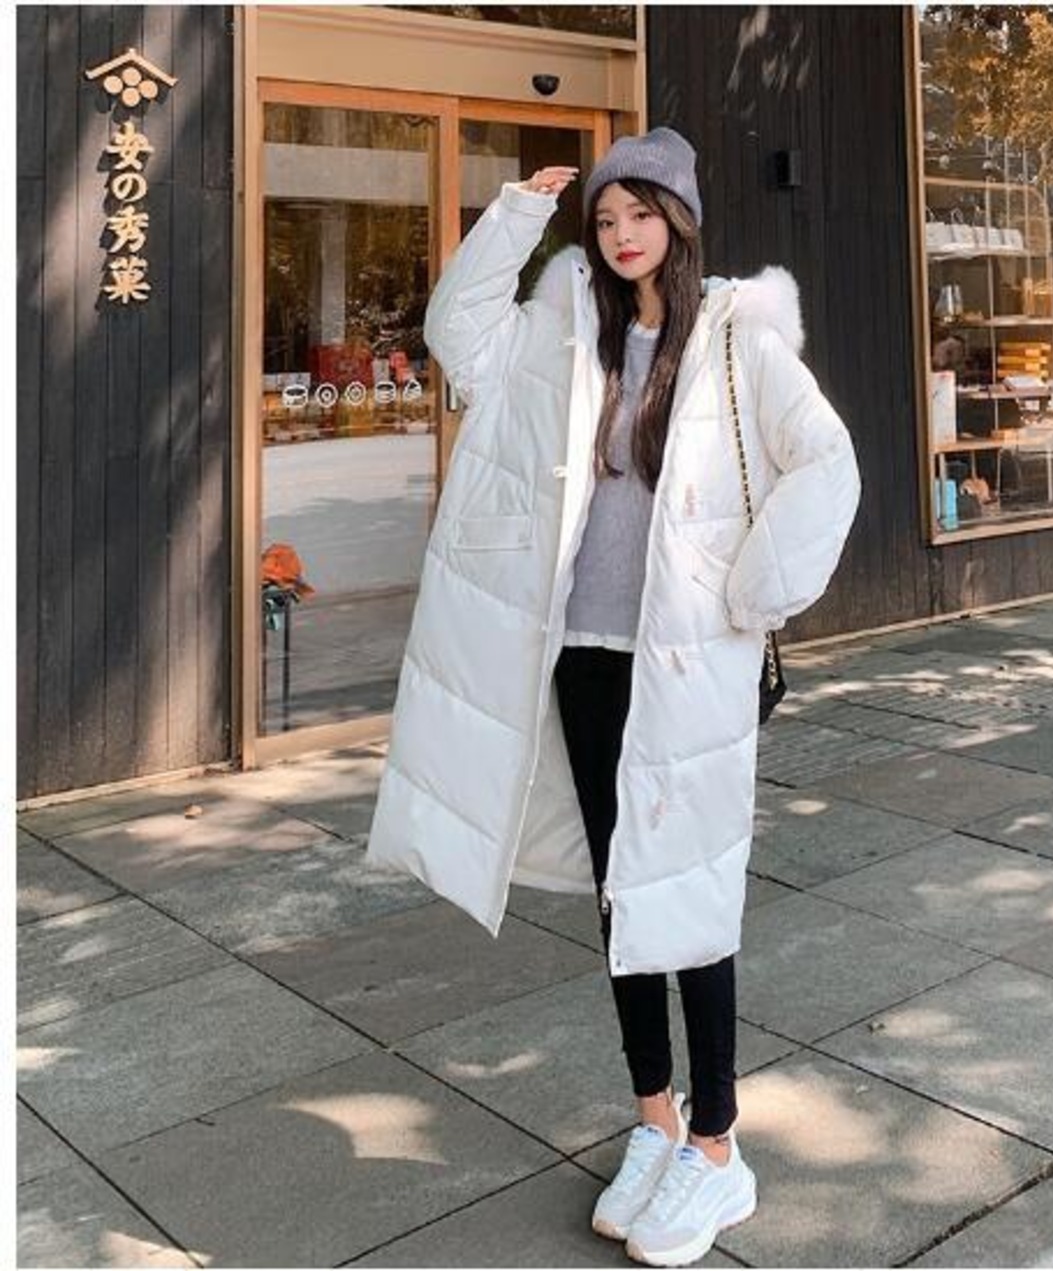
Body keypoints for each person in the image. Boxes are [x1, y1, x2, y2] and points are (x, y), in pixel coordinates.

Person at [366, 127, 860, 1267]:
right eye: (604, 218)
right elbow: (455, 334)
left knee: (690, 895)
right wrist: (512, 221)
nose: (622, 234)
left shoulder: (737, 336)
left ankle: (720, 1147)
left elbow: (825, 461)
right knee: (620, 900)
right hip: (584, 655)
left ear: (677, 221)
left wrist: (752, 593)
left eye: (640, 213)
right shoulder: (567, 330)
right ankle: (656, 1120)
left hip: (682, 663)